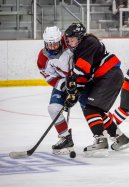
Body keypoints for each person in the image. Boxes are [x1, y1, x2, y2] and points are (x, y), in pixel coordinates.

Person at [64, 23, 129, 157]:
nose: (70, 42)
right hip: (107, 77)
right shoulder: (79, 51)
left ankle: (100, 141)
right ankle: (120, 138)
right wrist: (74, 93)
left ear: (80, 37)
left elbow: (82, 68)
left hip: (109, 75)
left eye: (72, 39)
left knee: (90, 109)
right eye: (68, 39)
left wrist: (72, 79)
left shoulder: (90, 41)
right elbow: (84, 76)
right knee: (97, 111)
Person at [37, 26, 90, 155]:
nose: (53, 47)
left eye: (55, 43)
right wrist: (66, 87)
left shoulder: (69, 42)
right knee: (53, 108)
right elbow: (49, 77)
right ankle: (65, 138)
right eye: (49, 44)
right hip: (64, 83)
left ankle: (106, 133)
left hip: (83, 80)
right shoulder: (43, 57)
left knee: (90, 108)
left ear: (60, 39)